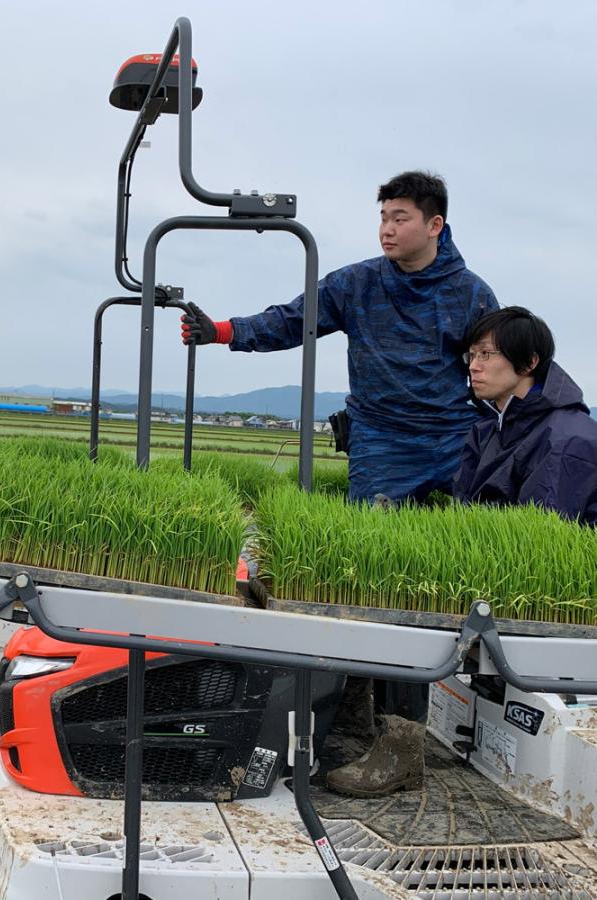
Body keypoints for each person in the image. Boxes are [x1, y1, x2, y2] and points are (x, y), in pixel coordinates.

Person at [182, 171, 499, 798]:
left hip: (453, 442)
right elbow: (290, 320)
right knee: (364, 582)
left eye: (401, 216)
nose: (387, 226)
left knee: (427, 592)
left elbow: (500, 360)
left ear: (435, 224)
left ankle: (404, 743)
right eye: (383, 214)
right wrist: (222, 331)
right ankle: (354, 706)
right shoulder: (357, 284)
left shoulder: (470, 295)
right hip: (381, 443)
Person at [453, 307, 597, 525]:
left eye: (485, 354)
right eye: (471, 355)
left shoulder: (566, 439)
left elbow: (542, 537)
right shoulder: (485, 431)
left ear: (530, 362)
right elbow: (463, 517)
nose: (473, 366)